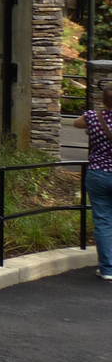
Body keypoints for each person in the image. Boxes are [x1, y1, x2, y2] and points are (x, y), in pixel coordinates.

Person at [73, 82, 112, 281]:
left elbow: (76, 123)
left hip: (99, 173)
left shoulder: (93, 118)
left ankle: (107, 269)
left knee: (104, 220)